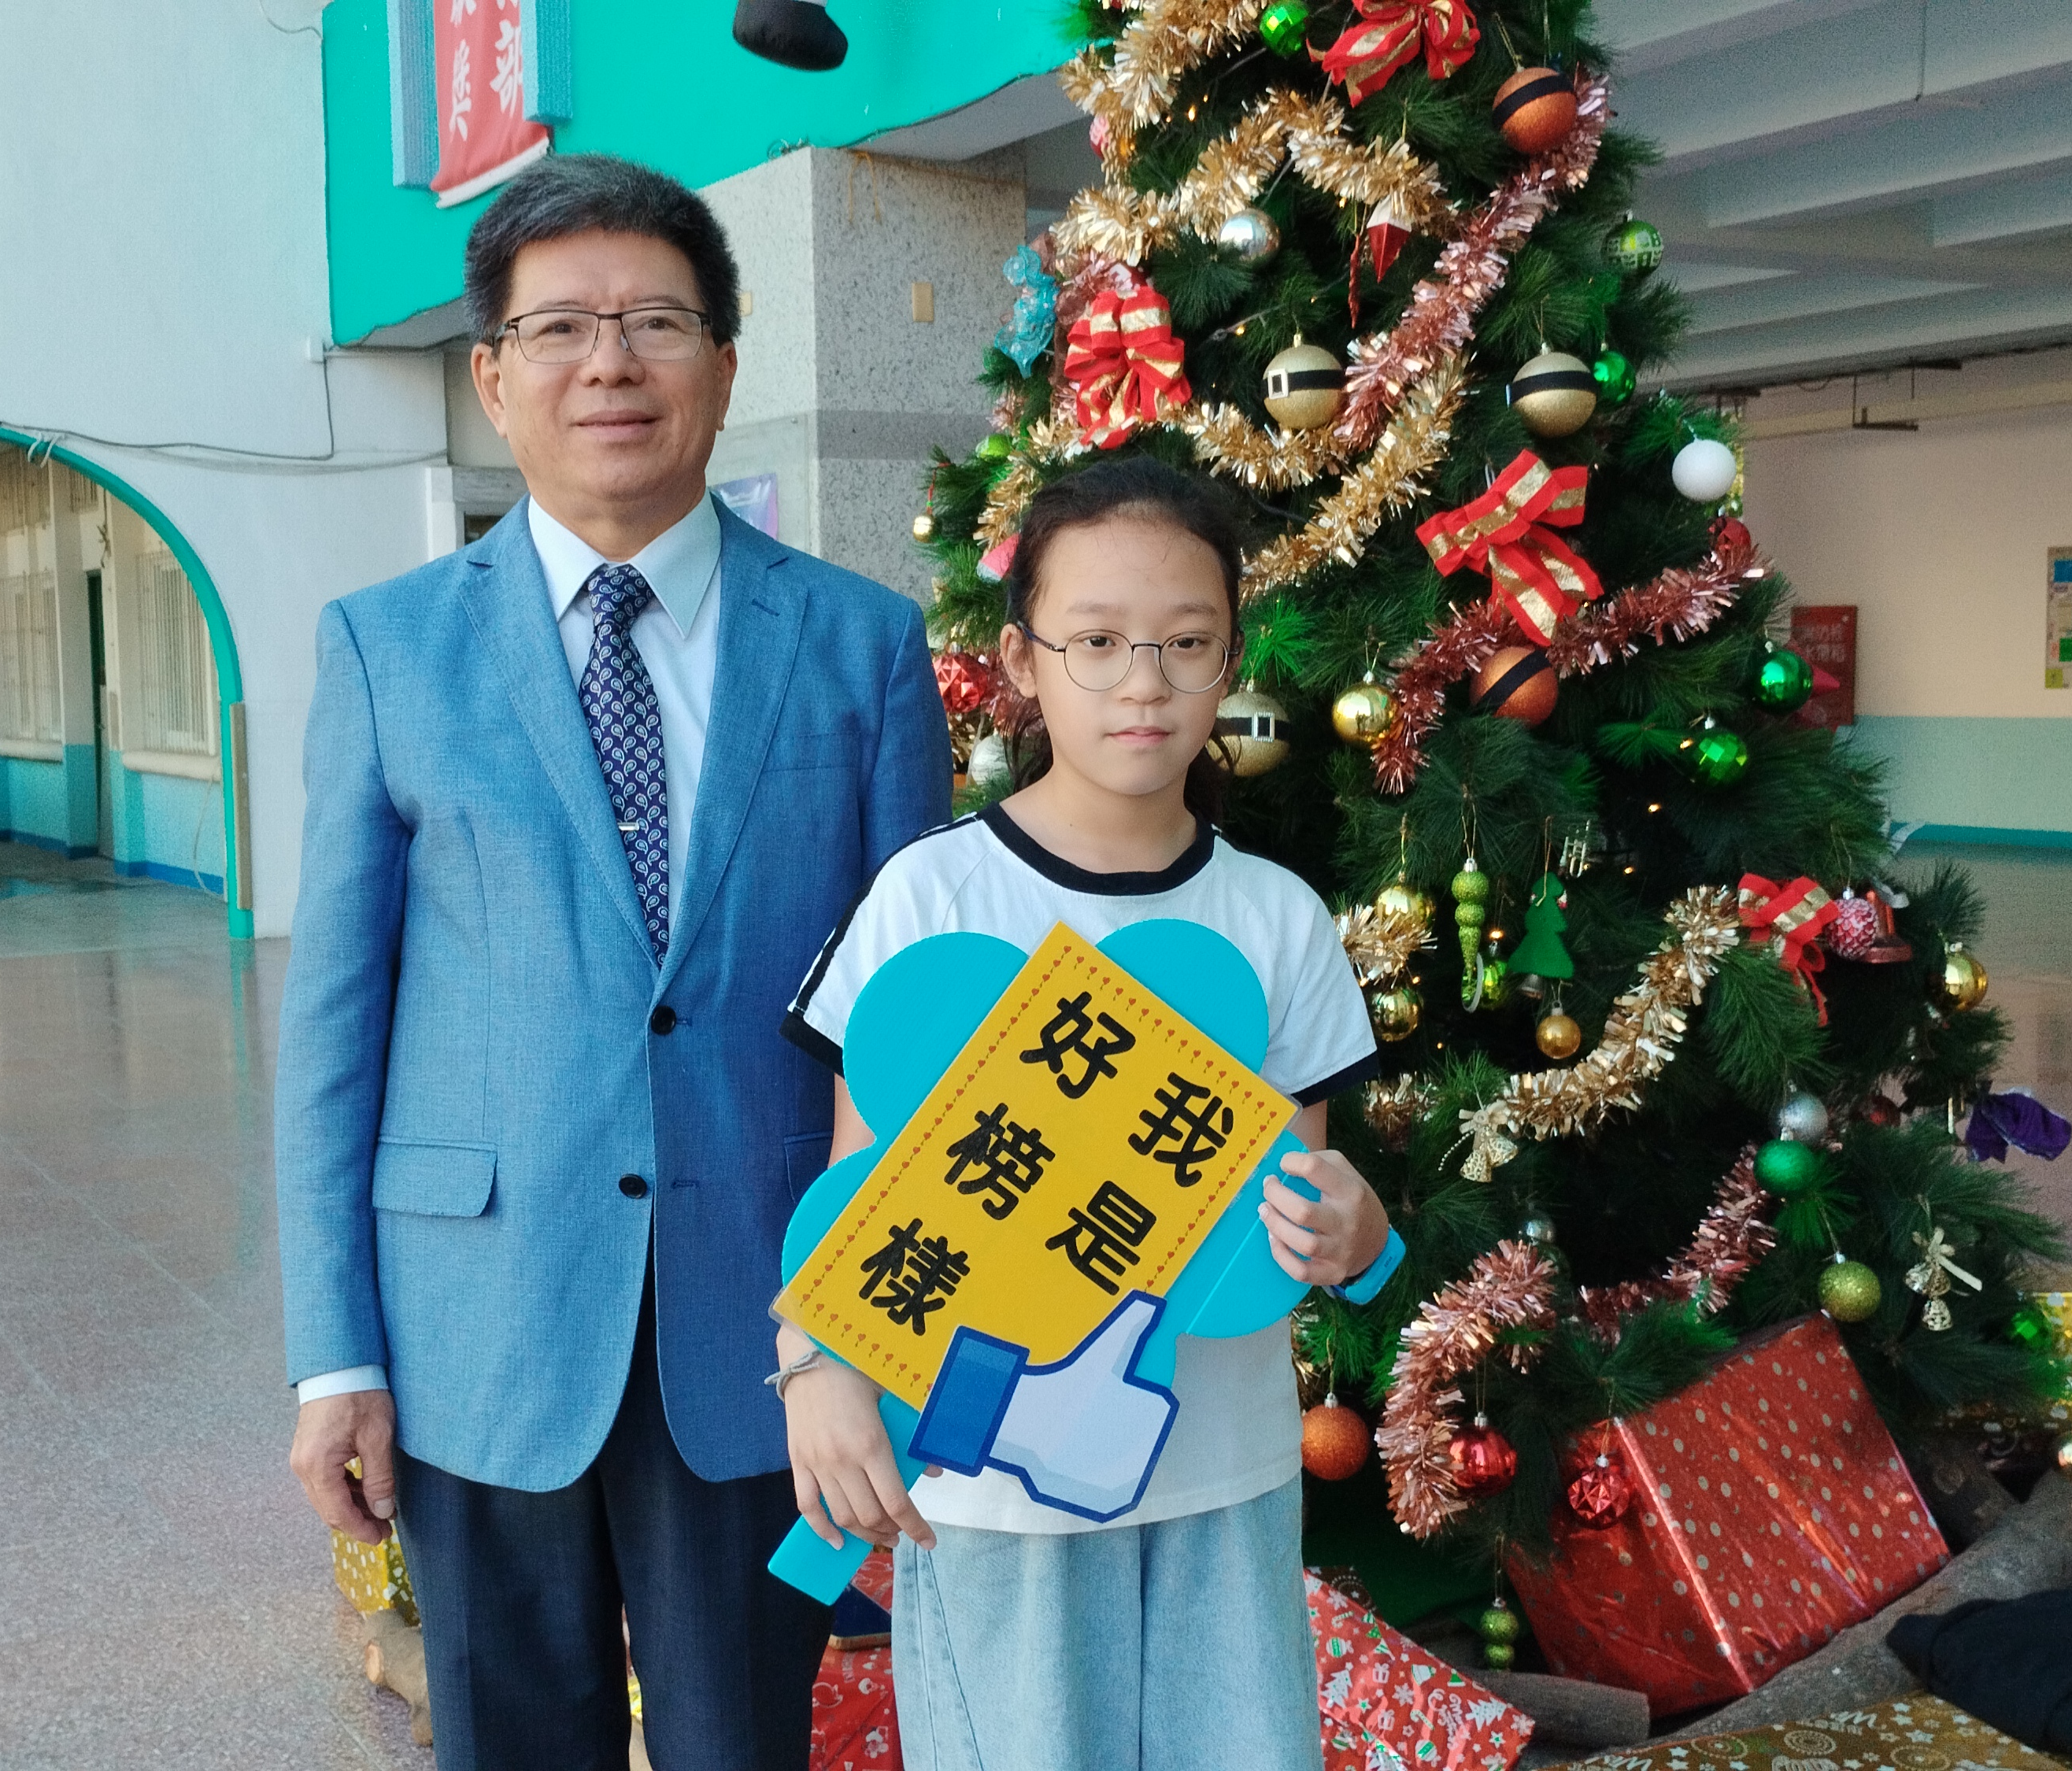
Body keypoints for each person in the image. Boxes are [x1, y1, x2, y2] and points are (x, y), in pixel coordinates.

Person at [274, 153, 952, 1771]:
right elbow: (334, 1029)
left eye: (655, 321)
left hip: (768, 1326)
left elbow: (912, 1026)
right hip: (480, 1317)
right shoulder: (386, 646)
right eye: (561, 327)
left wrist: (869, 1327)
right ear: (493, 378)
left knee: (740, 1742)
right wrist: (334, 1353)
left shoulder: (860, 643)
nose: (610, 364)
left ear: (723, 362)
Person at [778, 455, 1397, 1770]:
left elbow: (1293, 1207)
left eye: (1186, 642)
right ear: (1022, 658)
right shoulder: (932, 899)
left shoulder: (1274, 917)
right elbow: (858, 1183)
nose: (1143, 683)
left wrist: (1352, 1230)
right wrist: (819, 1370)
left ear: (1231, 659)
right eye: (1098, 641)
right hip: (991, 1486)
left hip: (1222, 1472)